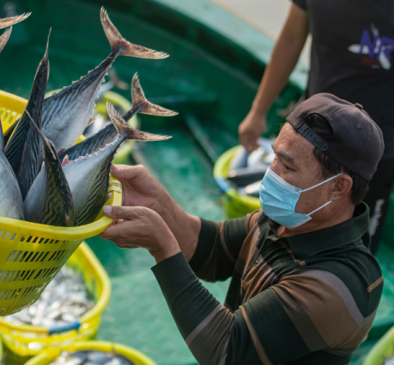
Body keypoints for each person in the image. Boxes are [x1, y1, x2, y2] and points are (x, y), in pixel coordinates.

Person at [100, 94, 384, 364]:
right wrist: (158, 204)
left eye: (287, 167)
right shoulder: (288, 221)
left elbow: (226, 351)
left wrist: (161, 246)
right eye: (274, 157)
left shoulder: (338, 286)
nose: (271, 173)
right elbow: (212, 250)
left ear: (338, 187)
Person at [238, 0, 394, 254]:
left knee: (358, 253)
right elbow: (291, 38)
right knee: (279, 235)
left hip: (374, 156)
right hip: (309, 138)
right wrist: (258, 112)